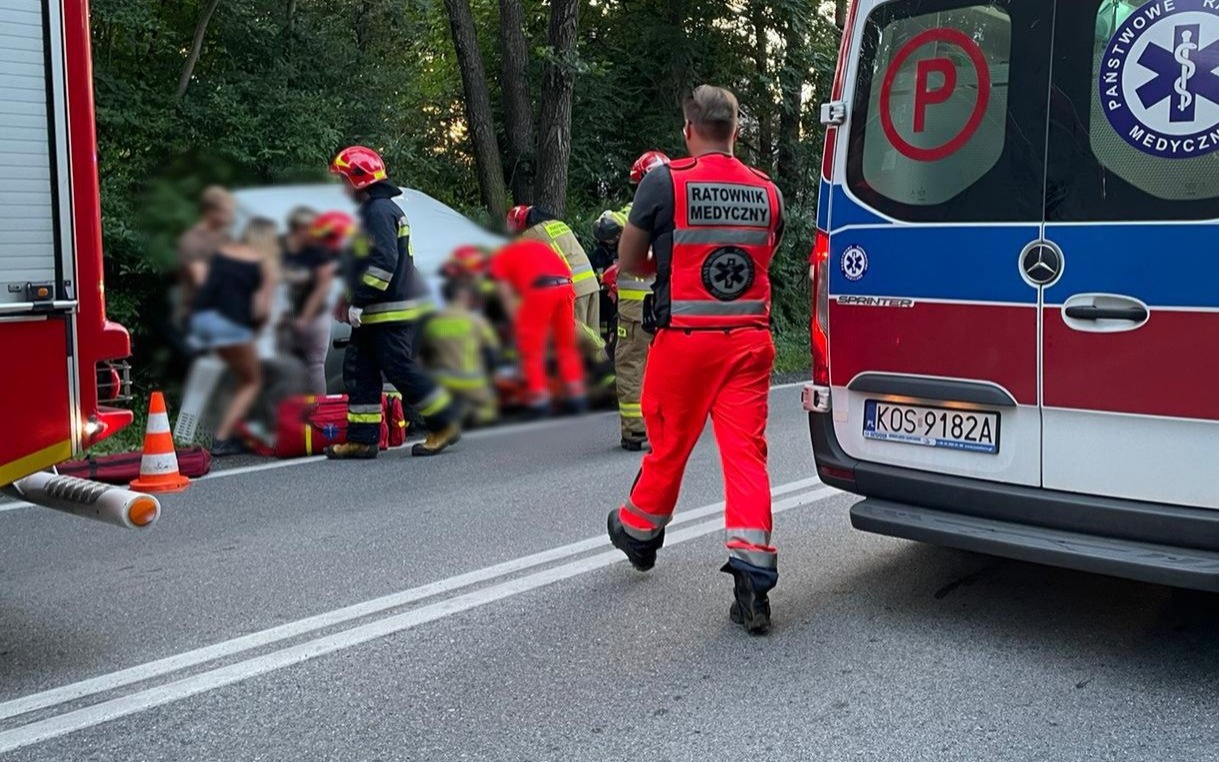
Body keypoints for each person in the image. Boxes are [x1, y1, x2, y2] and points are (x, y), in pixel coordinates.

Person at [605, 86, 785, 635]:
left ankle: (638, 533)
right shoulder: (768, 192)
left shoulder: (665, 181)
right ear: (734, 130)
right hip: (749, 343)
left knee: (669, 444)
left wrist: (674, 257)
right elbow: (761, 257)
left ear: (688, 129)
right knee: (746, 458)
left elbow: (630, 260)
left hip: (685, 341)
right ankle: (753, 580)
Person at [326, 145, 461, 459]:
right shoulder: (375, 211)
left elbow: (382, 263)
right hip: (376, 313)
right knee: (361, 372)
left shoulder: (377, 212)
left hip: (388, 313)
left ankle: (444, 423)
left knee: (400, 370)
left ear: (359, 181)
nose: (340, 187)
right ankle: (362, 438)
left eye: (343, 180)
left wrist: (359, 300)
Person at [187, 217, 281, 457]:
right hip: (231, 325)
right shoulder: (265, 265)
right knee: (252, 380)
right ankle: (224, 437)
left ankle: (233, 429)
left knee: (234, 375)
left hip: (203, 321)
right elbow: (260, 310)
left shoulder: (223, 254)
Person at [488, 239, 587, 417]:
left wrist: (517, 326)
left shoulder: (498, 259)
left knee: (531, 349)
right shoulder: (535, 246)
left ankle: (539, 401)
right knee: (566, 345)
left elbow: (506, 296)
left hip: (540, 289)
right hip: (566, 285)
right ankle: (576, 396)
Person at [506, 206, 600, 335]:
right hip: (591, 284)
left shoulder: (529, 236)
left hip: (574, 291)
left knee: (575, 341)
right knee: (594, 339)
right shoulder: (558, 225)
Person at [421, 279, 500, 428]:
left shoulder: (432, 322)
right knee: (489, 412)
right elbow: (492, 356)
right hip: (472, 382)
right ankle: (471, 412)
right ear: (462, 296)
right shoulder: (476, 321)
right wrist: (490, 377)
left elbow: (423, 355)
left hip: (441, 384)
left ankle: (454, 412)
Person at [281, 206, 339, 395]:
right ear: (299, 228)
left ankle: (317, 414)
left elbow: (323, 286)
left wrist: (305, 317)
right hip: (284, 319)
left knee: (314, 365)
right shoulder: (280, 247)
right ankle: (288, 415)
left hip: (314, 318)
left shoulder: (319, 251)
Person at [177, 186, 235, 326]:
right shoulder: (192, 239)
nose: (231, 215)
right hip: (199, 314)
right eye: (226, 211)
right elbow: (202, 282)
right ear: (210, 211)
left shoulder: (226, 238)